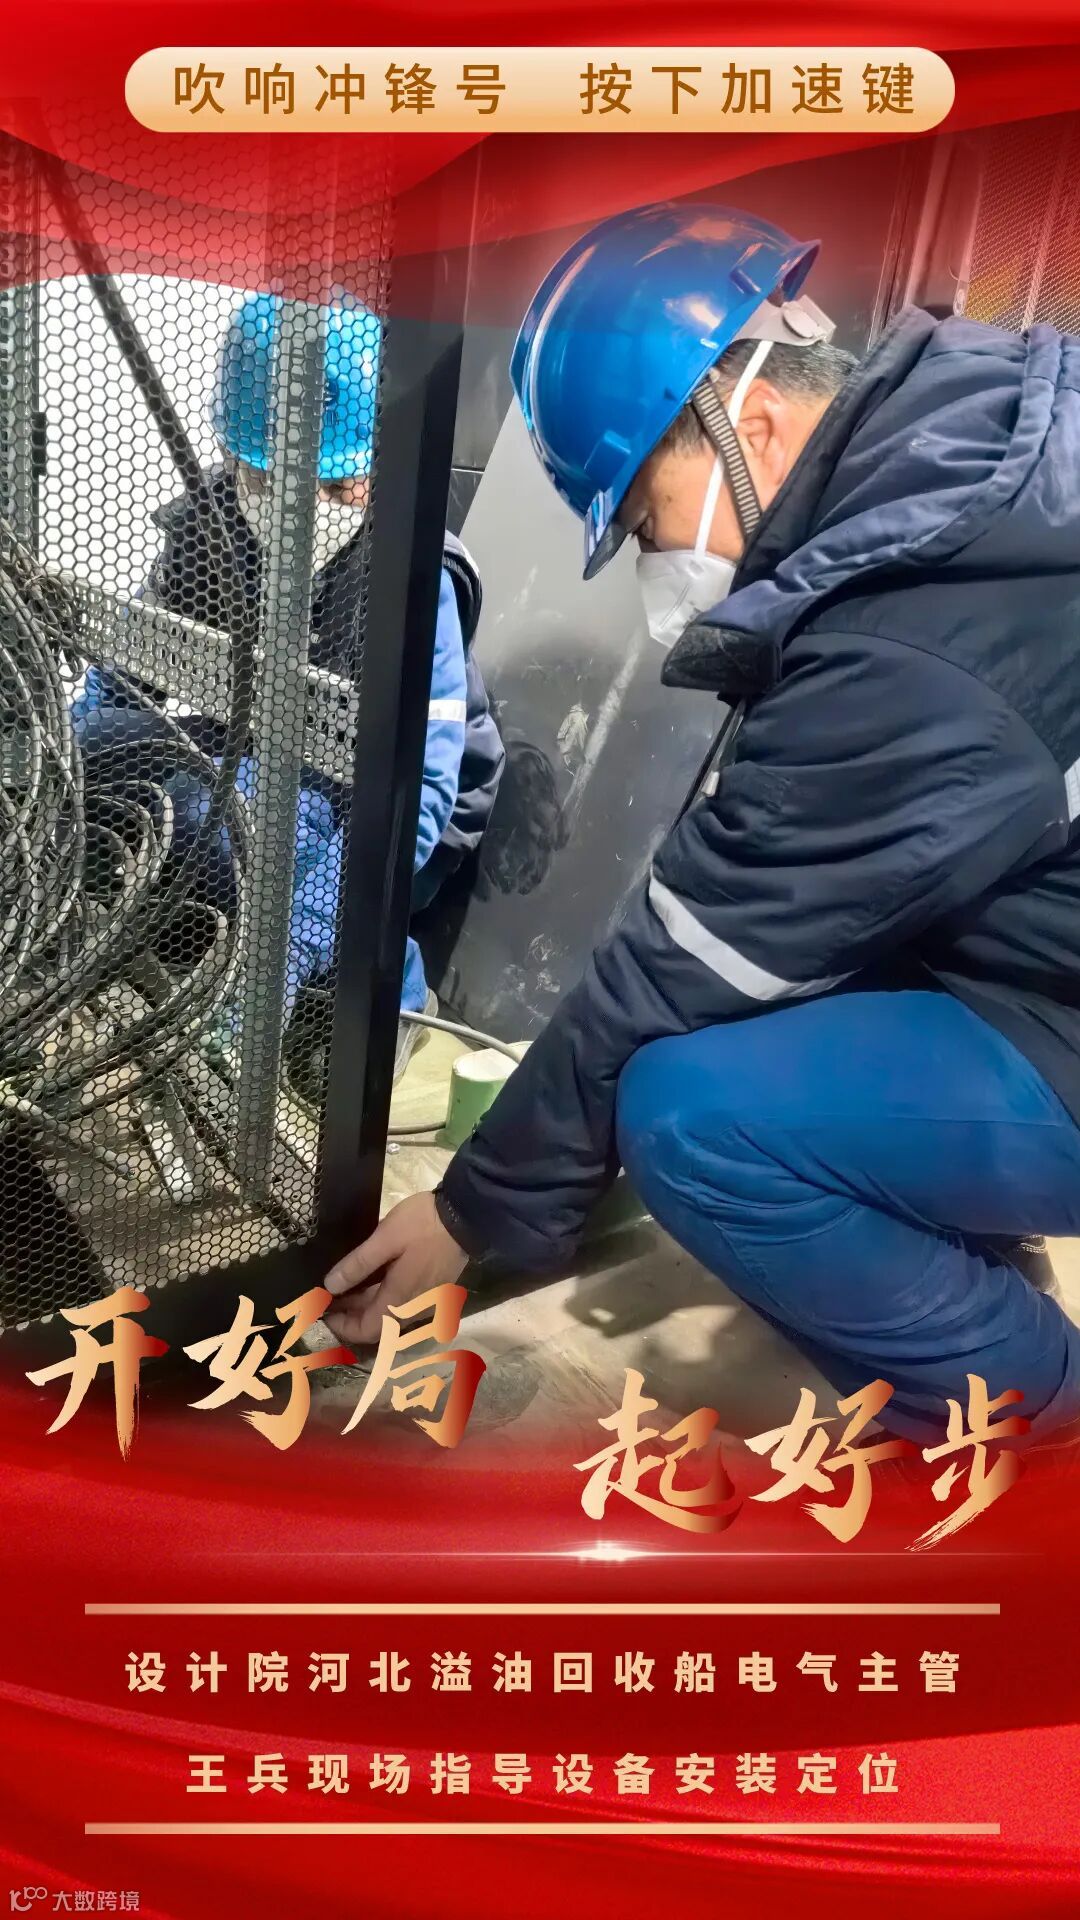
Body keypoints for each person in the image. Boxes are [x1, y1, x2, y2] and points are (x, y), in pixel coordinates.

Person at [324, 200, 1080, 1448]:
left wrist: (469, 1213)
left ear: (757, 421)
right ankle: (984, 1283)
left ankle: (1036, 1428)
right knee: (811, 991)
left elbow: (687, 958)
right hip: (1045, 957)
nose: (653, 563)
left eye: (643, 519)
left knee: (693, 1113)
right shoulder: (983, 448)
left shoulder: (912, 636)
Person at [72, 293, 504, 1081]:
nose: (311, 510)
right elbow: (121, 683)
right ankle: (230, 928)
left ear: (376, 465)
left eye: (340, 486)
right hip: (267, 739)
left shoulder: (412, 574)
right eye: (276, 480)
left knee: (271, 831)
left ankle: (389, 993)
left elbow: (420, 791)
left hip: (397, 803)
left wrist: (291, 941)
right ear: (236, 458)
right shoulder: (207, 529)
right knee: (118, 761)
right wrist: (70, 791)